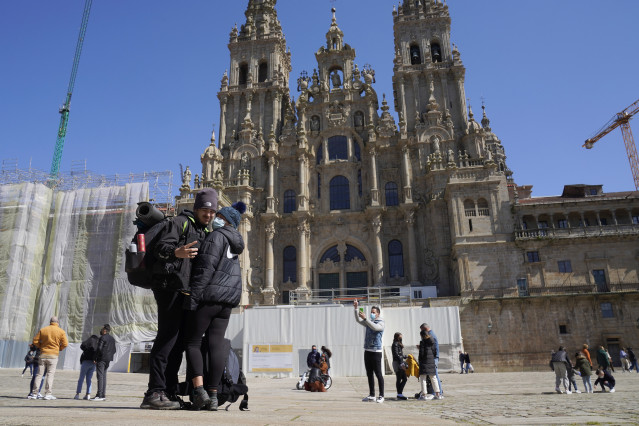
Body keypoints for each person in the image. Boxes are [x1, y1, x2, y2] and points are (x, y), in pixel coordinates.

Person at [140, 188, 217, 410]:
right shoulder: (180, 222)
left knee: (177, 343)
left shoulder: (202, 230)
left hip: (183, 291)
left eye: (212, 212)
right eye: (205, 210)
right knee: (166, 339)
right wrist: (176, 252)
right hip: (168, 287)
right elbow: (161, 248)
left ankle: (168, 390)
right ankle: (154, 391)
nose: (209, 215)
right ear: (196, 208)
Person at [184, 202, 246, 411]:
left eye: (218, 216)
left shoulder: (216, 237)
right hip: (227, 301)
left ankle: (199, 390)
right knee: (216, 344)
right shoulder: (235, 242)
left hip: (210, 297)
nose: (214, 219)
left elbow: (205, 269)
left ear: (226, 221)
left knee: (192, 342)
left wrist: (193, 298)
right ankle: (213, 395)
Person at [353, 300, 385, 403]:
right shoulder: (368, 322)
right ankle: (372, 394)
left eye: (374, 312)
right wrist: (356, 308)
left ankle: (381, 395)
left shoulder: (381, 322)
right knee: (369, 373)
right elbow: (358, 320)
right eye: (371, 312)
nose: (372, 313)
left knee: (378, 373)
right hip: (367, 350)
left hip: (376, 351)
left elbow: (375, 328)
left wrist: (366, 319)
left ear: (378, 313)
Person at [30, 316, 68, 400]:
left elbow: (35, 341)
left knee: (39, 374)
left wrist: (40, 346)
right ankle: (47, 394)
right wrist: (59, 348)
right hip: (53, 356)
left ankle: (34, 393)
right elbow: (65, 343)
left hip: (43, 354)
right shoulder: (61, 331)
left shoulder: (43, 330)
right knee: (50, 375)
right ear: (57, 322)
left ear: (50, 322)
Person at [93, 324, 116, 401]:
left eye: (102, 329)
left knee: (100, 376)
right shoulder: (112, 339)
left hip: (101, 359)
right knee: (104, 376)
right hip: (108, 359)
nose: (101, 330)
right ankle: (102, 394)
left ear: (105, 330)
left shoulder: (102, 337)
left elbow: (99, 348)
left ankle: (99, 395)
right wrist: (109, 356)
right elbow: (114, 350)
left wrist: (95, 358)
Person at [420, 323, 443, 396]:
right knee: (433, 376)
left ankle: (438, 392)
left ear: (425, 329)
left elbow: (431, 349)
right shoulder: (431, 336)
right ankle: (437, 392)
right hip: (432, 357)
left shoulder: (430, 336)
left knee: (434, 376)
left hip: (431, 358)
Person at [74, 334, 98, 400]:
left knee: (81, 378)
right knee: (89, 379)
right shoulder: (97, 344)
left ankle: (77, 394)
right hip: (93, 363)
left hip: (85, 362)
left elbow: (82, 346)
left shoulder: (87, 343)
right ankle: (88, 394)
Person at [391, 332, 408, 400]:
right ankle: (399, 394)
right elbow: (396, 354)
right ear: (397, 337)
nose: (401, 338)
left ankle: (399, 393)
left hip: (399, 362)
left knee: (403, 379)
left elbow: (399, 354)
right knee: (401, 378)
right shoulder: (395, 344)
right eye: (400, 337)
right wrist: (401, 363)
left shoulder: (398, 344)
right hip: (398, 363)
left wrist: (405, 356)